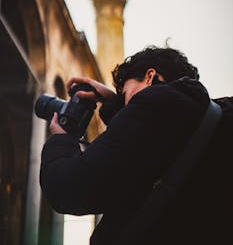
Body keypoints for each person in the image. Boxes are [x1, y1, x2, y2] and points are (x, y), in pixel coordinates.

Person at [40, 46, 233, 245]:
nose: (126, 107)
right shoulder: (201, 119)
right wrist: (114, 102)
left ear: (150, 76)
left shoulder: (157, 105)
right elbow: (143, 145)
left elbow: (66, 188)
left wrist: (62, 138)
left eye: (125, 94)